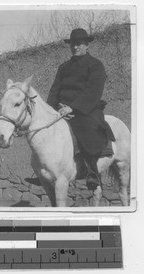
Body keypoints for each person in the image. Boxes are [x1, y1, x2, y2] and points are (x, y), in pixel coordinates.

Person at [47, 28, 115, 190]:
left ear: (87, 45)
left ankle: (92, 171)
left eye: (79, 44)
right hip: (61, 109)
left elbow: (93, 91)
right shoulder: (63, 68)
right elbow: (54, 90)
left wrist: (72, 108)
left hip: (86, 108)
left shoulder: (95, 65)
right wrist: (54, 109)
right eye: (73, 44)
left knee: (87, 126)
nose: (75, 47)